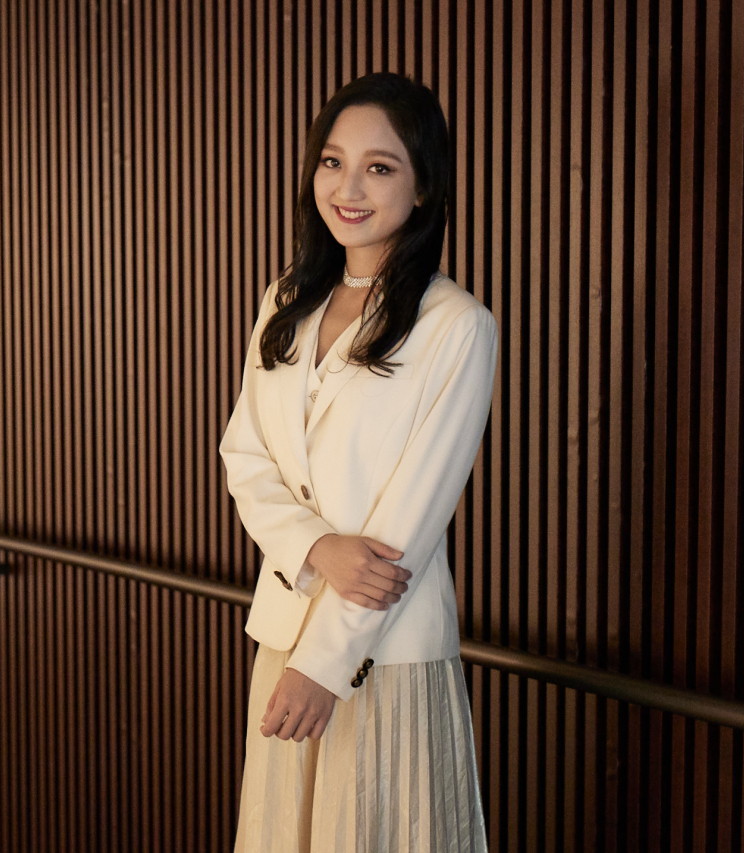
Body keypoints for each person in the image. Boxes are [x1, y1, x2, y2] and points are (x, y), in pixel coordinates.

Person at [220, 72, 496, 853]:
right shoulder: (285, 300)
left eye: (380, 167)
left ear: (423, 187)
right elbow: (245, 455)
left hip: (383, 652)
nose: (348, 186)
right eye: (332, 162)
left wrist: (323, 664)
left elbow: (411, 517)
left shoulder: (457, 326)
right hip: (283, 628)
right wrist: (316, 546)